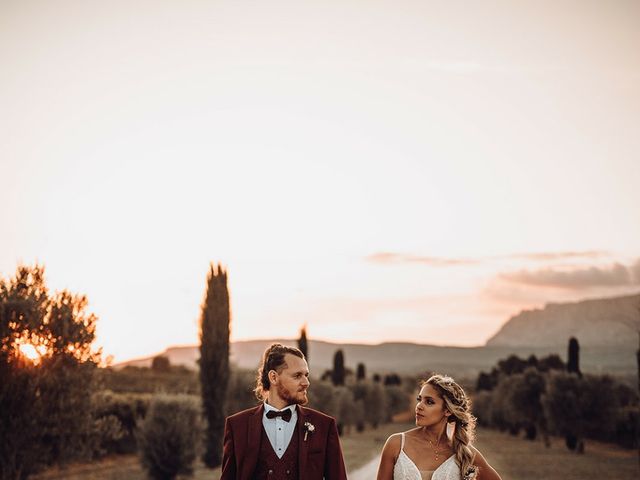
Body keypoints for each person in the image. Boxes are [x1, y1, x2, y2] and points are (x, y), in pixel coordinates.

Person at [221, 343, 348, 480]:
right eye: (298, 376)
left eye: (306, 375)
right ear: (273, 377)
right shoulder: (237, 426)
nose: (306, 382)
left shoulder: (324, 426)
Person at [377, 374, 501, 480]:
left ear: (447, 410)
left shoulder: (464, 453)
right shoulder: (396, 444)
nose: (419, 406)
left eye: (429, 402)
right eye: (419, 399)